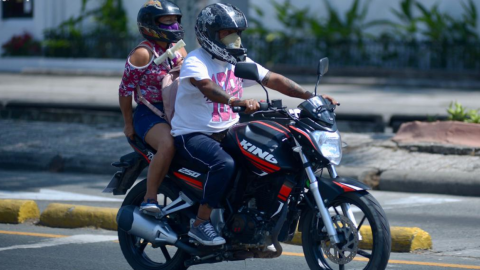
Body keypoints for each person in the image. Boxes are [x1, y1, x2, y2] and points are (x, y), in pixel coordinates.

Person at [171, 3, 338, 246]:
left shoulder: (238, 61)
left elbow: (272, 79)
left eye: (236, 33)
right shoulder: (196, 61)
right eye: (225, 33)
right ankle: (201, 223)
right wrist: (234, 100)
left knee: (271, 152)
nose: (233, 39)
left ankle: (256, 218)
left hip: (227, 130)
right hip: (193, 134)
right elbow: (206, 86)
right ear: (208, 35)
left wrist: (310, 97)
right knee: (224, 163)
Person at [118, 0, 187, 213]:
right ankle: (150, 198)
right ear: (150, 25)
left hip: (177, 109)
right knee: (167, 144)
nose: (174, 26)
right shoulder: (143, 53)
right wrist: (128, 124)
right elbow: (124, 90)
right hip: (150, 112)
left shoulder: (179, 49)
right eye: (167, 21)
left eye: (176, 20)